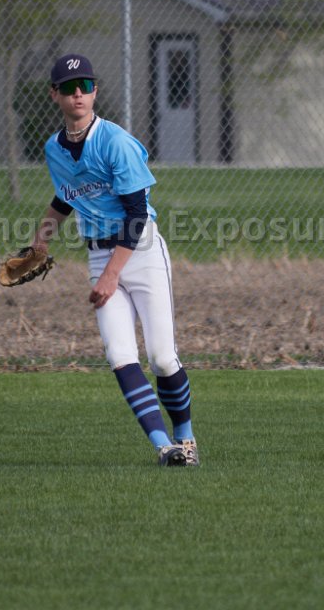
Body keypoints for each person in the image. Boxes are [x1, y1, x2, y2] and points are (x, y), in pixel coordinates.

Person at [30, 53, 198, 467]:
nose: (78, 94)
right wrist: (40, 241)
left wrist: (110, 275)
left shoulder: (115, 142)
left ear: (95, 92)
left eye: (85, 86)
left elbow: (137, 215)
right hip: (99, 254)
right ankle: (165, 448)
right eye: (69, 88)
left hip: (140, 251)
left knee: (162, 358)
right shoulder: (54, 148)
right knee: (120, 356)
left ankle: (186, 439)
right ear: (54, 95)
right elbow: (67, 197)